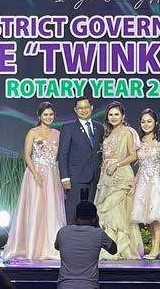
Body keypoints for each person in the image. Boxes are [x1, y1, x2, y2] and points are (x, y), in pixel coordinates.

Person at [3, 101, 66, 260]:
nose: (49, 117)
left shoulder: (58, 134)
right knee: (36, 207)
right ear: (39, 116)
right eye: (45, 114)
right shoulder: (32, 132)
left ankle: (51, 247)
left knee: (51, 209)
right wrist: (36, 173)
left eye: (51, 114)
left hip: (52, 174)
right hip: (35, 173)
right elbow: (26, 155)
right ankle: (32, 247)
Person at [94, 101, 143, 260]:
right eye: (110, 115)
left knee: (118, 214)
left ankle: (121, 249)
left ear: (123, 116)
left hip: (121, 175)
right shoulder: (108, 134)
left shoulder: (128, 132)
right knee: (106, 214)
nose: (113, 117)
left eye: (116, 114)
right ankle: (108, 247)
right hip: (107, 177)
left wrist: (117, 164)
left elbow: (133, 155)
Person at [131, 109, 160, 259]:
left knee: (157, 214)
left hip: (158, 180)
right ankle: (154, 246)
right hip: (143, 180)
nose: (146, 124)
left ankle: (156, 248)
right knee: (149, 215)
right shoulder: (138, 141)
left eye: (149, 121)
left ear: (155, 122)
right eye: (143, 122)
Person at [57, 96, 105, 225]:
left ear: (91, 108)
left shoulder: (99, 127)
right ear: (75, 110)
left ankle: (89, 237)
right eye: (80, 108)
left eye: (86, 107)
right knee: (74, 211)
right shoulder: (68, 128)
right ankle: (72, 236)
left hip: (95, 178)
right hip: (76, 178)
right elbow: (63, 154)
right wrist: (65, 177)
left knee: (92, 213)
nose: (83, 110)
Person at [55, 201, 117, 289]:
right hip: (89, 285)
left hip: (65, 285)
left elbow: (57, 247)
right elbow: (114, 250)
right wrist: (97, 226)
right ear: (94, 218)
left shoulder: (62, 232)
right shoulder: (99, 233)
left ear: (75, 216)